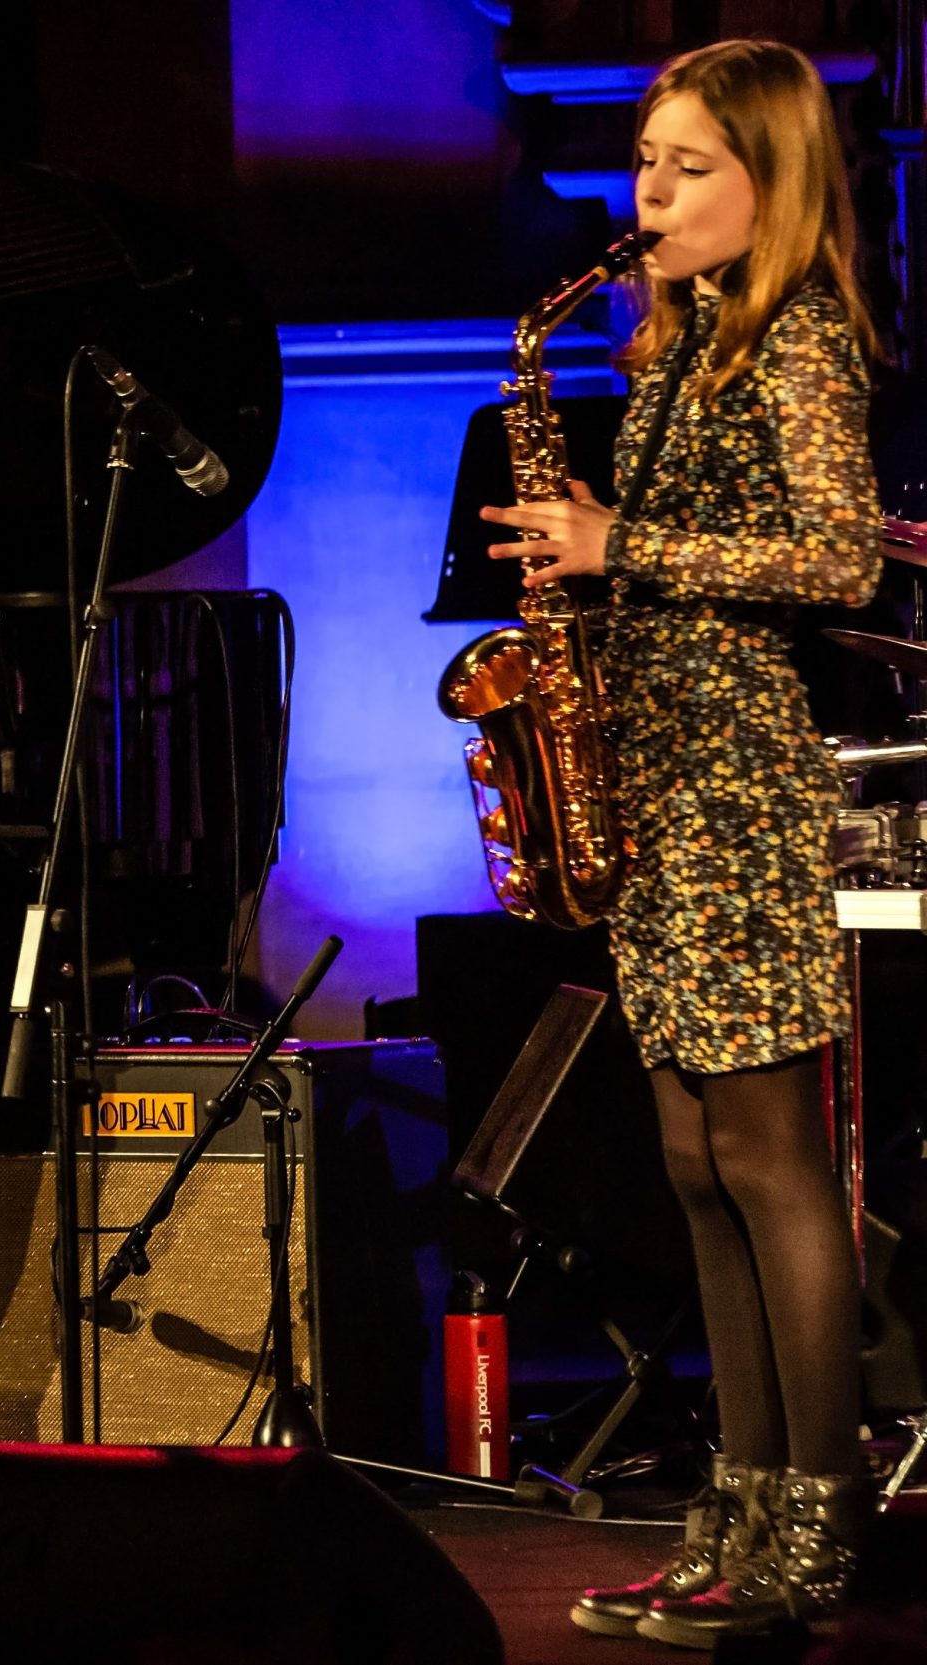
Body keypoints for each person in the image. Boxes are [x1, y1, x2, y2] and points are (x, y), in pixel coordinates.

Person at [479, 40, 880, 1645]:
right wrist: (581, 571)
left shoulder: (799, 340)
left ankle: (820, 1525)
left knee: (774, 1163)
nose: (648, 192)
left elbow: (843, 558)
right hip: (658, 787)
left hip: (738, 792)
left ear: (772, 180)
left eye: (689, 165)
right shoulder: (679, 345)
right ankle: (736, 1512)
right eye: (645, 159)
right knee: (694, 1162)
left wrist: (620, 540)